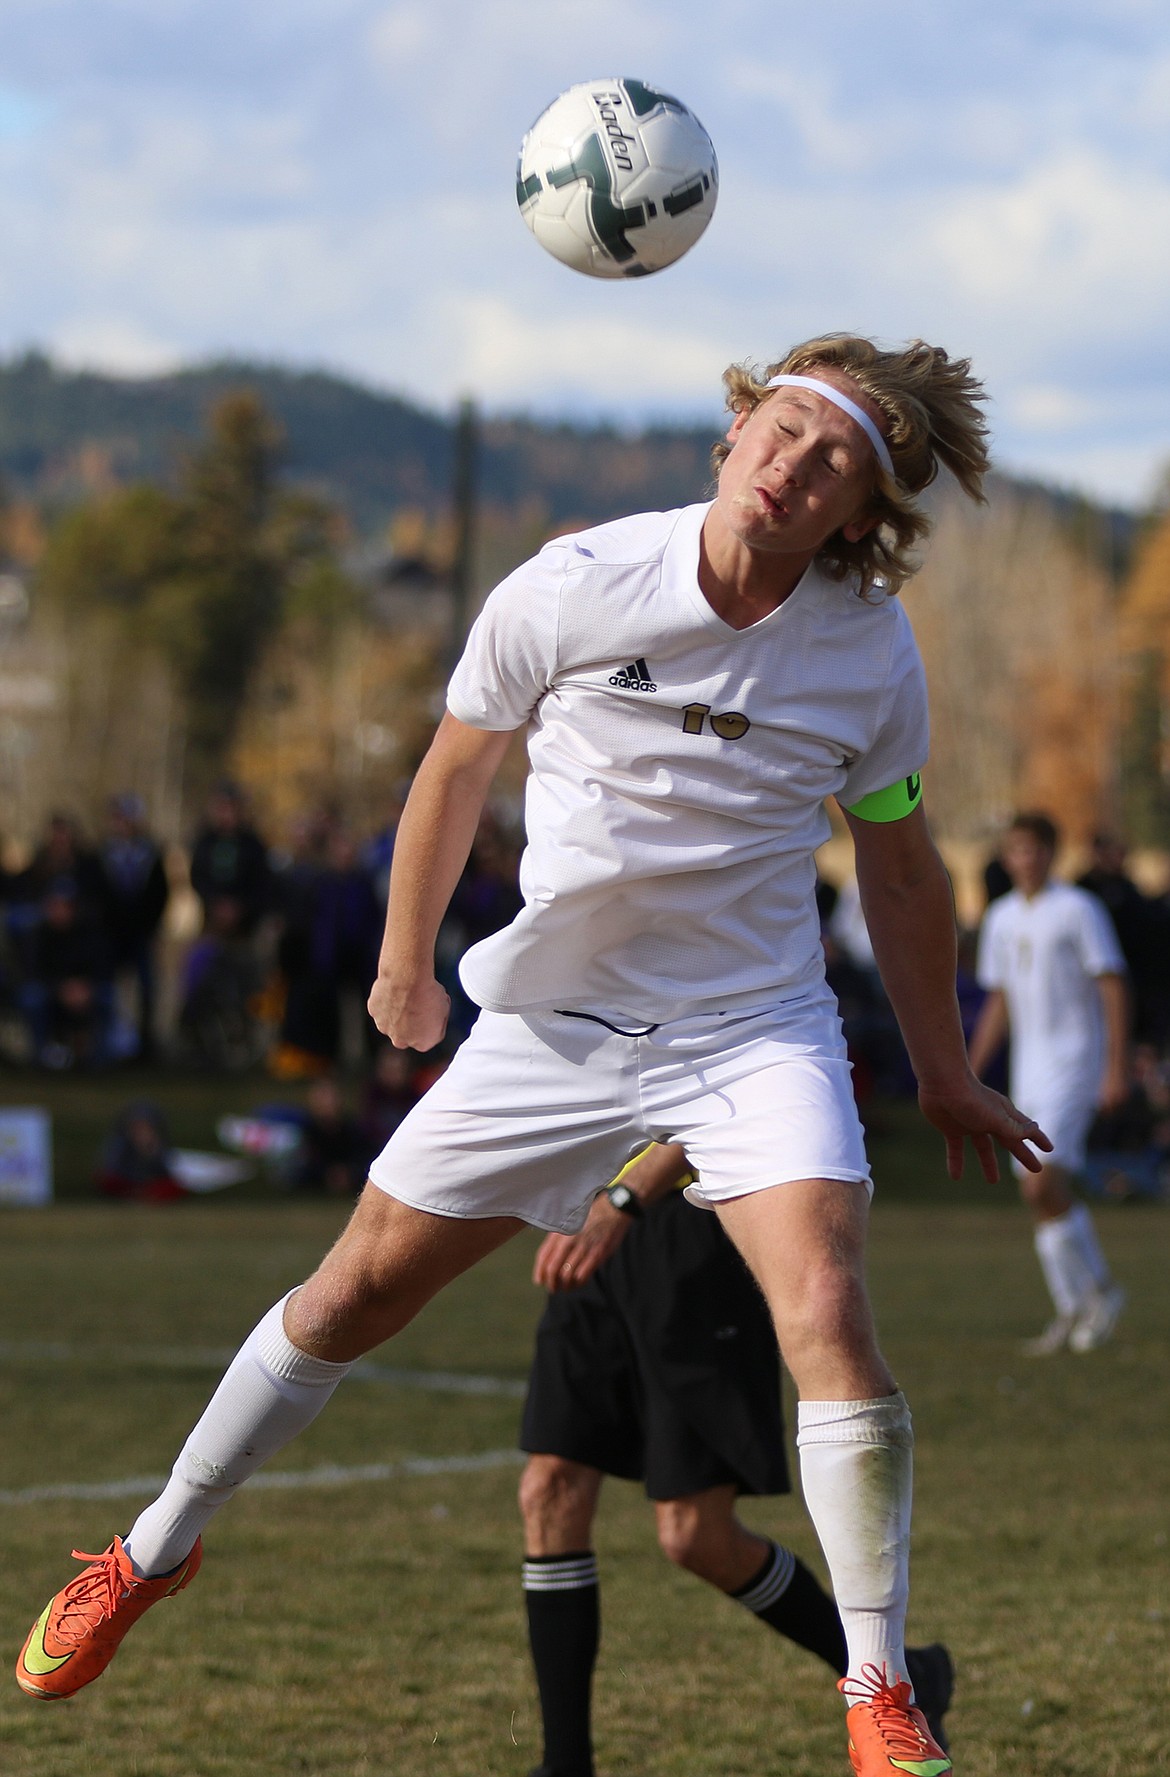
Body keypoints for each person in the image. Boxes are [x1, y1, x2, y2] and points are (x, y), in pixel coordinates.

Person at [17, 334, 1048, 1777]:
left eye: (834, 465)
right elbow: (454, 767)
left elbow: (900, 876)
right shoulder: (573, 581)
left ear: (853, 519)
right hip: (550, 1027)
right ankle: (148, 1550)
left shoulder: (867, 651)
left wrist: (940, 1067)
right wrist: (399, 961)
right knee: (347, 1296)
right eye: (787, 431)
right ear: (737, 431)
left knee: (827, 1298)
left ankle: (875, 1686)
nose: (795, 465)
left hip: (747, 1029)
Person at [519, 1141, 954, 1777]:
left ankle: (902, 1676)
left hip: (686, 1225)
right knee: (549, 1487)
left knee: (695, 1534)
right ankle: (565, 1766)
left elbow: (696, 1082)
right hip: (590, 1226)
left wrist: (625, 1198)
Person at [968, 812, 1128, 1355]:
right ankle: (1075, 1305)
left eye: (1034, 849)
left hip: (1076, 1061)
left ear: (1051, 852)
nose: (1024, 859)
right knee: (1035, 1193)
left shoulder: (1079, 909)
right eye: (1015, 849)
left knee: (1042, 1183)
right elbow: (1000, 1000)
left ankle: (1101, 1292)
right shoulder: (1002, 917)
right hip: (1029, 1071)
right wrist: (967, 1070)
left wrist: (1115, 1065)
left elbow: (1111, 985)